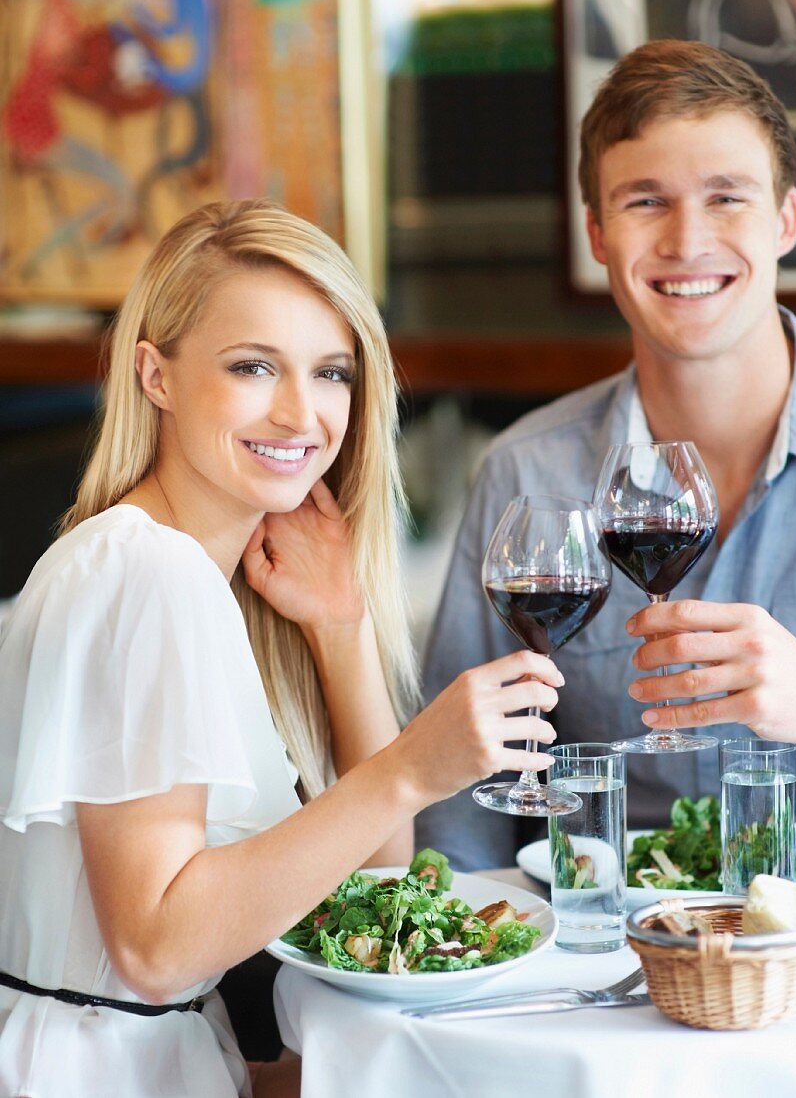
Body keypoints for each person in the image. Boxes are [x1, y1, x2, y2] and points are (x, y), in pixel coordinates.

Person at [0, 198, 564, 1097]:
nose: (303, 412)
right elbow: (153, 948)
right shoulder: (147, 575)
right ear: (155, 375)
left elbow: (374, 874)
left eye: (331, 372)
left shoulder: (186, 577)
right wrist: (417, 765)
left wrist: (340, 629)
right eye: (254, 366)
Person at [418, 39, 796, 871]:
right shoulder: (527, 474)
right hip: (603, 961)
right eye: (646, 201)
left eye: (726, 197)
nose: (687, 240)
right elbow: (459, 799)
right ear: (597, 232)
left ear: (787, 221)